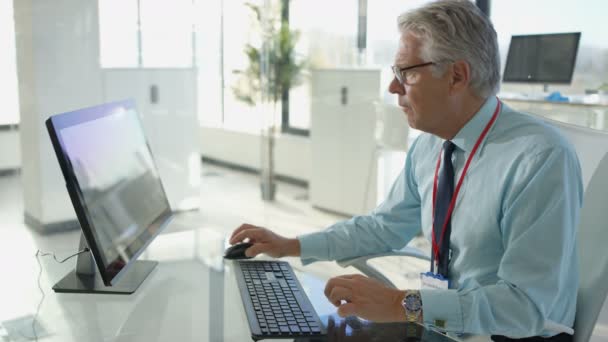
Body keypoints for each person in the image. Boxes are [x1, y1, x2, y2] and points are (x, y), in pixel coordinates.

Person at [229, 0, 582, 340]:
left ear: (457, 76)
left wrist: (402, 304)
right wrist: (289, 245)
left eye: (406, 73)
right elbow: (383, 227)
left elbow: (526, 307)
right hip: (443, 322)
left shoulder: (540, 159)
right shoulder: (430, 145)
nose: (392, 87)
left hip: (504, 335)